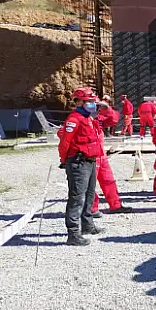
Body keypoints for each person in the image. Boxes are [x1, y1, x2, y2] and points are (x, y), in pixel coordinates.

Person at [57, 111, 133, 217]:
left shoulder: (98, 120)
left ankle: (115, 205)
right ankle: (92, 208)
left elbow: (113, 119)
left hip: (102, 156)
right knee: (90, 185)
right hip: (90, 157)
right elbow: (62, 132)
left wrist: (107, 108)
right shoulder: (78, 119)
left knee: (109, 181)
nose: (95, 108)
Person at [57, 87, 105, 246]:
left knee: (90, 195)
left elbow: (111, 119)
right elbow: (65, 142)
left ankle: (87, 225)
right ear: (78, 102)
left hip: (90, 161)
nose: (92, 104)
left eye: (92, 101)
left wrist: (106, 107)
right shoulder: (74, 119)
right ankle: (73, 233)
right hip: (78, 162)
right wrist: (64, 160)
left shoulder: (89, 118)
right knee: (77, 198)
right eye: (88, 102)